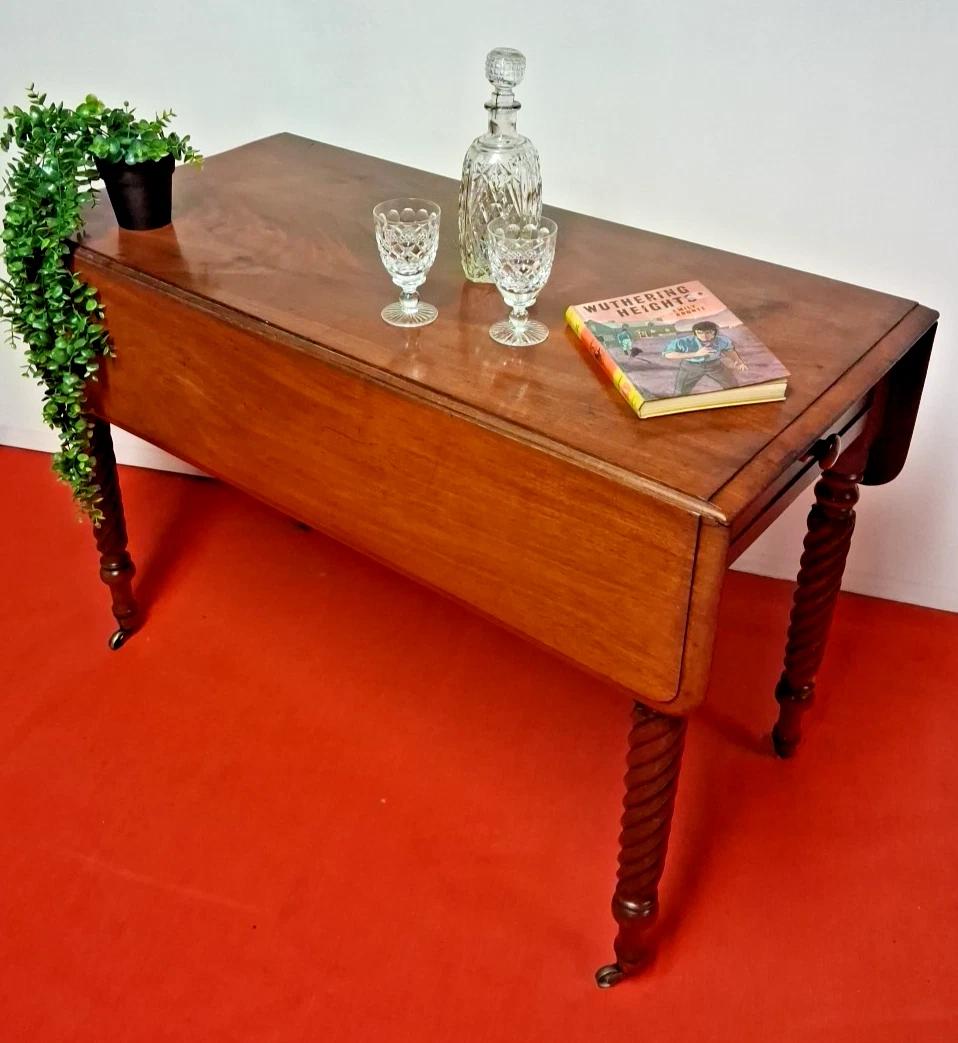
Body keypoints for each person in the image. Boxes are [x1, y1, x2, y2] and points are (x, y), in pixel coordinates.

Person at [662, 321, 749, 396]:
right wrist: (695, 354)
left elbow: (728, 351)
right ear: (694, 333)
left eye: (708, 332)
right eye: (699, 332)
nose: (704, 335)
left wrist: (738, 361)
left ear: (715, 333)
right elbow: (668, 354)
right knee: (680, 391)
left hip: (715, 365)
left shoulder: (723, 340)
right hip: (691, 367)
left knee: (732, 385)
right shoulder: (683, 342)